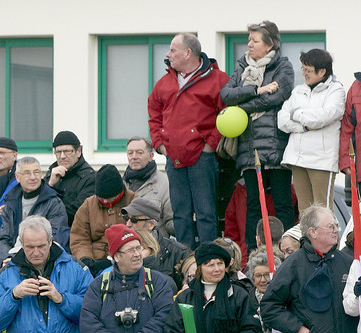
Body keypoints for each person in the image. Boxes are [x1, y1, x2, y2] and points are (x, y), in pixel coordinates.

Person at [221, 21, 298, 258]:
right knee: (253, 204)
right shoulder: (242, 66)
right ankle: (253, 256)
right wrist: (258, 90)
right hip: (249, 148)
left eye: (255, 40)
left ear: (270, 44)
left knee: (283, 202)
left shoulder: (283, 67)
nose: (249, 44)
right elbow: (226, 95)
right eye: (249, 40)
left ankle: (286, 253)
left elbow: (278, 98)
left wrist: (242, 105)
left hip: (276, 147)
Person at [149, 33, 228, 249]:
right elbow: (153, 111)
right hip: (173, 158)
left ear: (188, 53)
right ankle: (185, 262)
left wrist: (210, 146)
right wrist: (160, 144)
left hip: (202, 158)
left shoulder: (218, 79)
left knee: (206, 213)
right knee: (180, 214)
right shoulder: (164, 83)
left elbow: (226, 113)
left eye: (173, 50)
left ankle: (209, 258)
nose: (168, 54)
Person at [278, 47, 346, 215]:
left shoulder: (336, 91)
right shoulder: (298, 90)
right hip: (297, 158)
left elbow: (321, 117)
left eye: (308, 70)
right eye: (303, 69)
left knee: (323, 213)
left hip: (321, 160)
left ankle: (331, 243)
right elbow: (282, 120)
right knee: (304, 213)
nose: (303, 73)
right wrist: (303, 126)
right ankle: (306, 242)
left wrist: (297, 114)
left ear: (322, 71)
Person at [0, 157, 69, 263]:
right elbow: (3, 239)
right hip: (12, 258)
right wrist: (7, 259)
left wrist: (21, 260)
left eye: (36, 172)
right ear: (17, 177)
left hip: (41, 259)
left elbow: (56, 238)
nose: (33, 177)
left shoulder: (53, 203)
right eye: (27, 173)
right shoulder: (10, 203)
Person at [68, 166, 133, 274]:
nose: (105, 201)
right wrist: (85, 259)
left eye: (109, 197)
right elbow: (79, 237)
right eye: (102, 198)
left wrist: (114, 259)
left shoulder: (133, 202)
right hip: (93, 260)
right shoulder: (88, 205)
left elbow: (140, 235)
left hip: (123, 260)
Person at [126, 196, 189, 286]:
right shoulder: (121, 251)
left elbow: (186, 292)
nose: (128, 224)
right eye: (126, 218)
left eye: (134, 220)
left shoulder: (178, 252)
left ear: (151, 224)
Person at [122, 137, 174, 237]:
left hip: (155, 247)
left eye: (139, 153)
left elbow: (171, 223)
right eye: (130, 153)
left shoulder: (165, 183)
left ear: (151, 156)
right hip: (126, 247)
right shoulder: (121, 185)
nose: (134, 157)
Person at [47, 131, 100, 218]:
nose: (62, 156)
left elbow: (76, 213)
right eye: (58, 152)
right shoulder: (51, 175)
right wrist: (50, 185)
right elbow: (37, 206)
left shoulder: (90, 178)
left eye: (67, 151)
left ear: (78, 151)